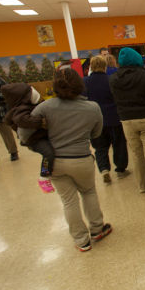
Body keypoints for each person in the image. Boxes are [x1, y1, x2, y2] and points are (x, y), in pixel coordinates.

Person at [31, 68, 112, 252]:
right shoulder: (92, 107)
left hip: (55, 161)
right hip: (82, 158)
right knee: (89, 192)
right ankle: (97, 229)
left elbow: (24, 131)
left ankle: (81, 240)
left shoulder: (45, 107)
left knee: (68, 201)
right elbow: (96, 133)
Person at [109, 47, 145, 203]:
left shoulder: (113, 78)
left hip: (126, 120)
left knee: (136, 154)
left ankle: (142, 186)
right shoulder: (142, 76)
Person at [1, 83, 55, 193]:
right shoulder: (20, 110)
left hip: (39, 136)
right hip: (34, 139)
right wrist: (40, 121)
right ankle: (44, 176)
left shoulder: (28, 106)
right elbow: (22, 120)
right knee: (48, 153)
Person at [84, 56, 129, 183]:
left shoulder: (85, 82)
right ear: (105, 66)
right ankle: (120, 168)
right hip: (114, 117)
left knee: (100, 147)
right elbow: (120, 98)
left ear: (91, 67)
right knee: (118, 144)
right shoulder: (112, 79)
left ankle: (104, 169)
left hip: (94, 121)